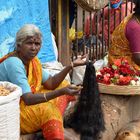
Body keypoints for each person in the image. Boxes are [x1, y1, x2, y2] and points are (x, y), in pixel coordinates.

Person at [0, 24, 87, 140]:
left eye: (37, 44)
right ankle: (54, 128)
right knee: (49, 109)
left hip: (25, 103)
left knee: (64, 85)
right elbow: (28, 99)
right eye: (29, 43)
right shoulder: (14, 63)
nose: (34, 48)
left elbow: (51, 83)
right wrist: (60, 92)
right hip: (12, 113)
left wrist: (71, 66)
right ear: (19, 45)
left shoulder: (33, 61)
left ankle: (52, 123)